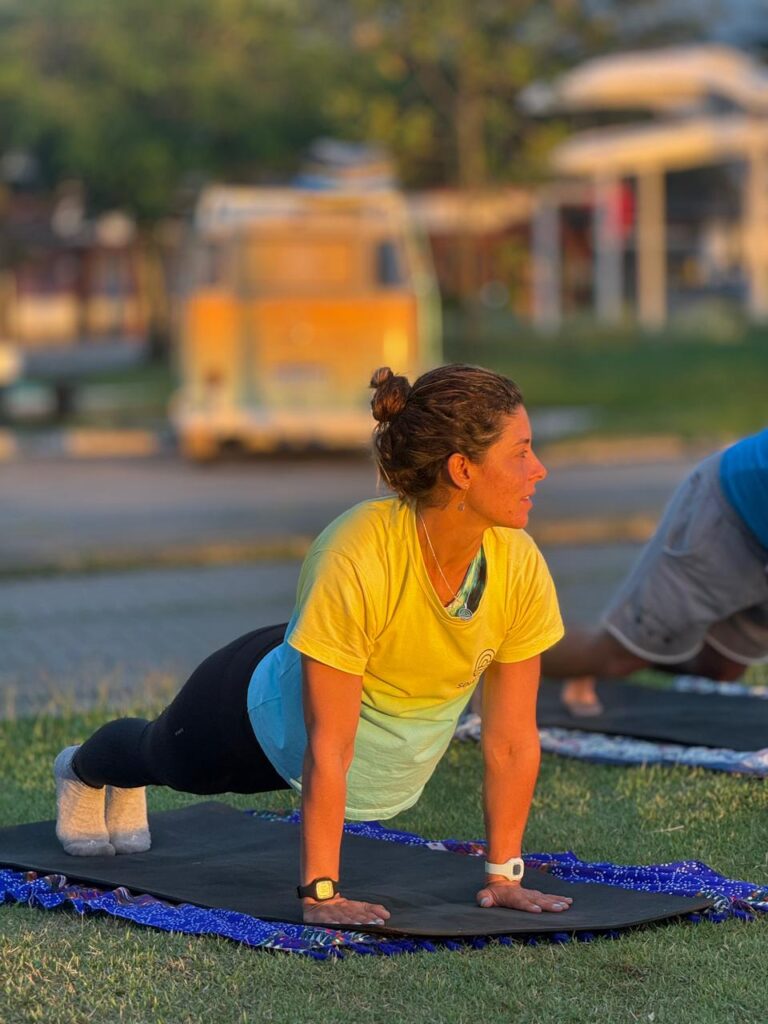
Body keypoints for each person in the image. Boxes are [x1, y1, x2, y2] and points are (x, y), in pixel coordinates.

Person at [54, 363, 571, 927]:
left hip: (338, 688)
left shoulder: (519, 567)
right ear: (462, 470)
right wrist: (321, 893)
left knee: (176, 761)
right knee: (166, 757)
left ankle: (125, 779)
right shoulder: (357, 553)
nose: (539, 470)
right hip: (258, 713)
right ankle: (83, 771)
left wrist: (505, 875)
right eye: (521, 452)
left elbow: (512, 740)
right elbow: (328, 743)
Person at [542, 427, 768, 714]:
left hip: (760, 530)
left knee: (721, 668)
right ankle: (507, 657)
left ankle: (641, 646)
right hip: (729, 511)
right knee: (618, 657)